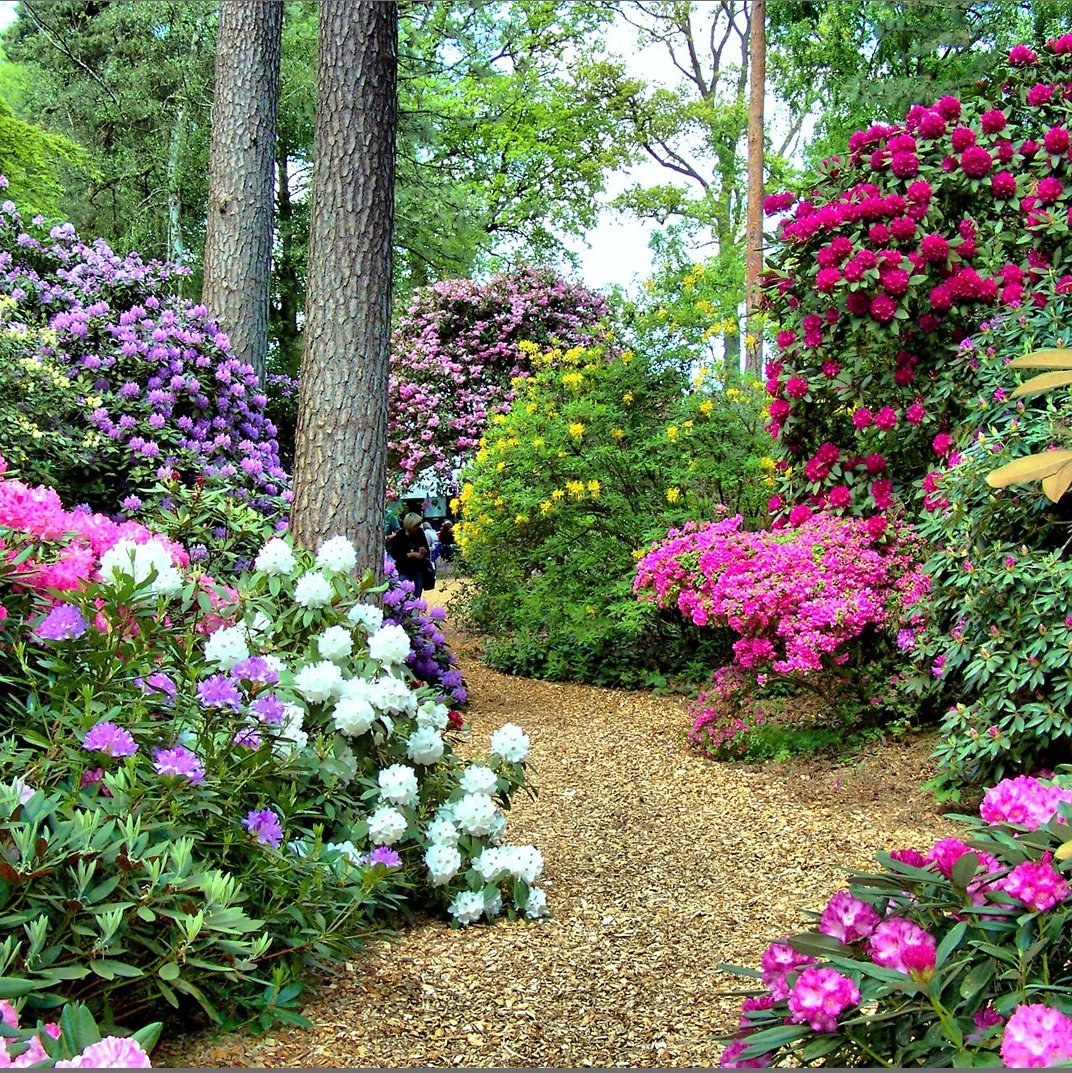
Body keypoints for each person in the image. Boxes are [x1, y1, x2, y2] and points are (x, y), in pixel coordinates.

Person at [385, 512, 430, 598]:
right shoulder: (399, 536)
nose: (419, 527)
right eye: (417, 525)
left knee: (417, 593)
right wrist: (411, 555)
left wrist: (423, 550)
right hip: (403, 569)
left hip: (418, 568)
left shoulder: (420, 533)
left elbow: (425, 548)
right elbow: (396, 555)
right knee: (404, 593)